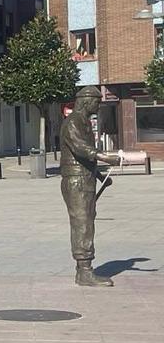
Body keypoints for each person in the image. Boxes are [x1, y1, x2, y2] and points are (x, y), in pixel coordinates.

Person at [60, 86, 121, 287]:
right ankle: (84, 270)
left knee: (87, 221)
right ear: (87, 101)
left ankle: (83, 269)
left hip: (86, 178)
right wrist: (103, 156)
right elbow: (80, 148)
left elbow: (85, 157)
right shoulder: (72, 122)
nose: (98, 105)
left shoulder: (84, 122)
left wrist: (100, 175)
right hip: (76, 180)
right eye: (97, 102)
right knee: (82, 222)